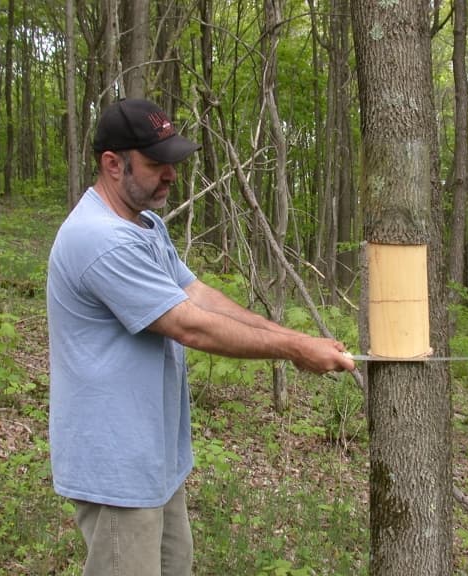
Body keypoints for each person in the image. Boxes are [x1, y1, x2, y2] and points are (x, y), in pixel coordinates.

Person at [46, 98, 355, 576]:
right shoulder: (97, 238)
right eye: (155, 163)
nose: (170, 174)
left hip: (155, 458)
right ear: (112, 163)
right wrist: (295, 350)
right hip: (117, 465)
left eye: (173, 162)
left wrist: (296, 336)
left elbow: (197, 295)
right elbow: (188, 324)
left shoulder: (144, 225)